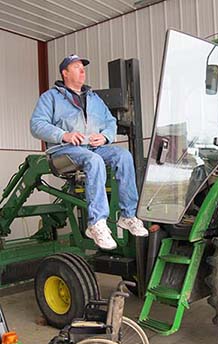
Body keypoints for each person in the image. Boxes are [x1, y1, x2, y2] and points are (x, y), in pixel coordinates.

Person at [30, 54, 148, 250]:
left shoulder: (94, 99)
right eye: (76, 67)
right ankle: (96, 223)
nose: (82, 70)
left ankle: (128, 216)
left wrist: (105, 137)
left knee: (123, 156)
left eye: (83, 67)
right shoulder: (50, 97)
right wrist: (63, 135)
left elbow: (110, 122)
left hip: (92, 147)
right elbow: (36, 125)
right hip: (63, 151)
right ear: (65, 73)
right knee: (94, 161)